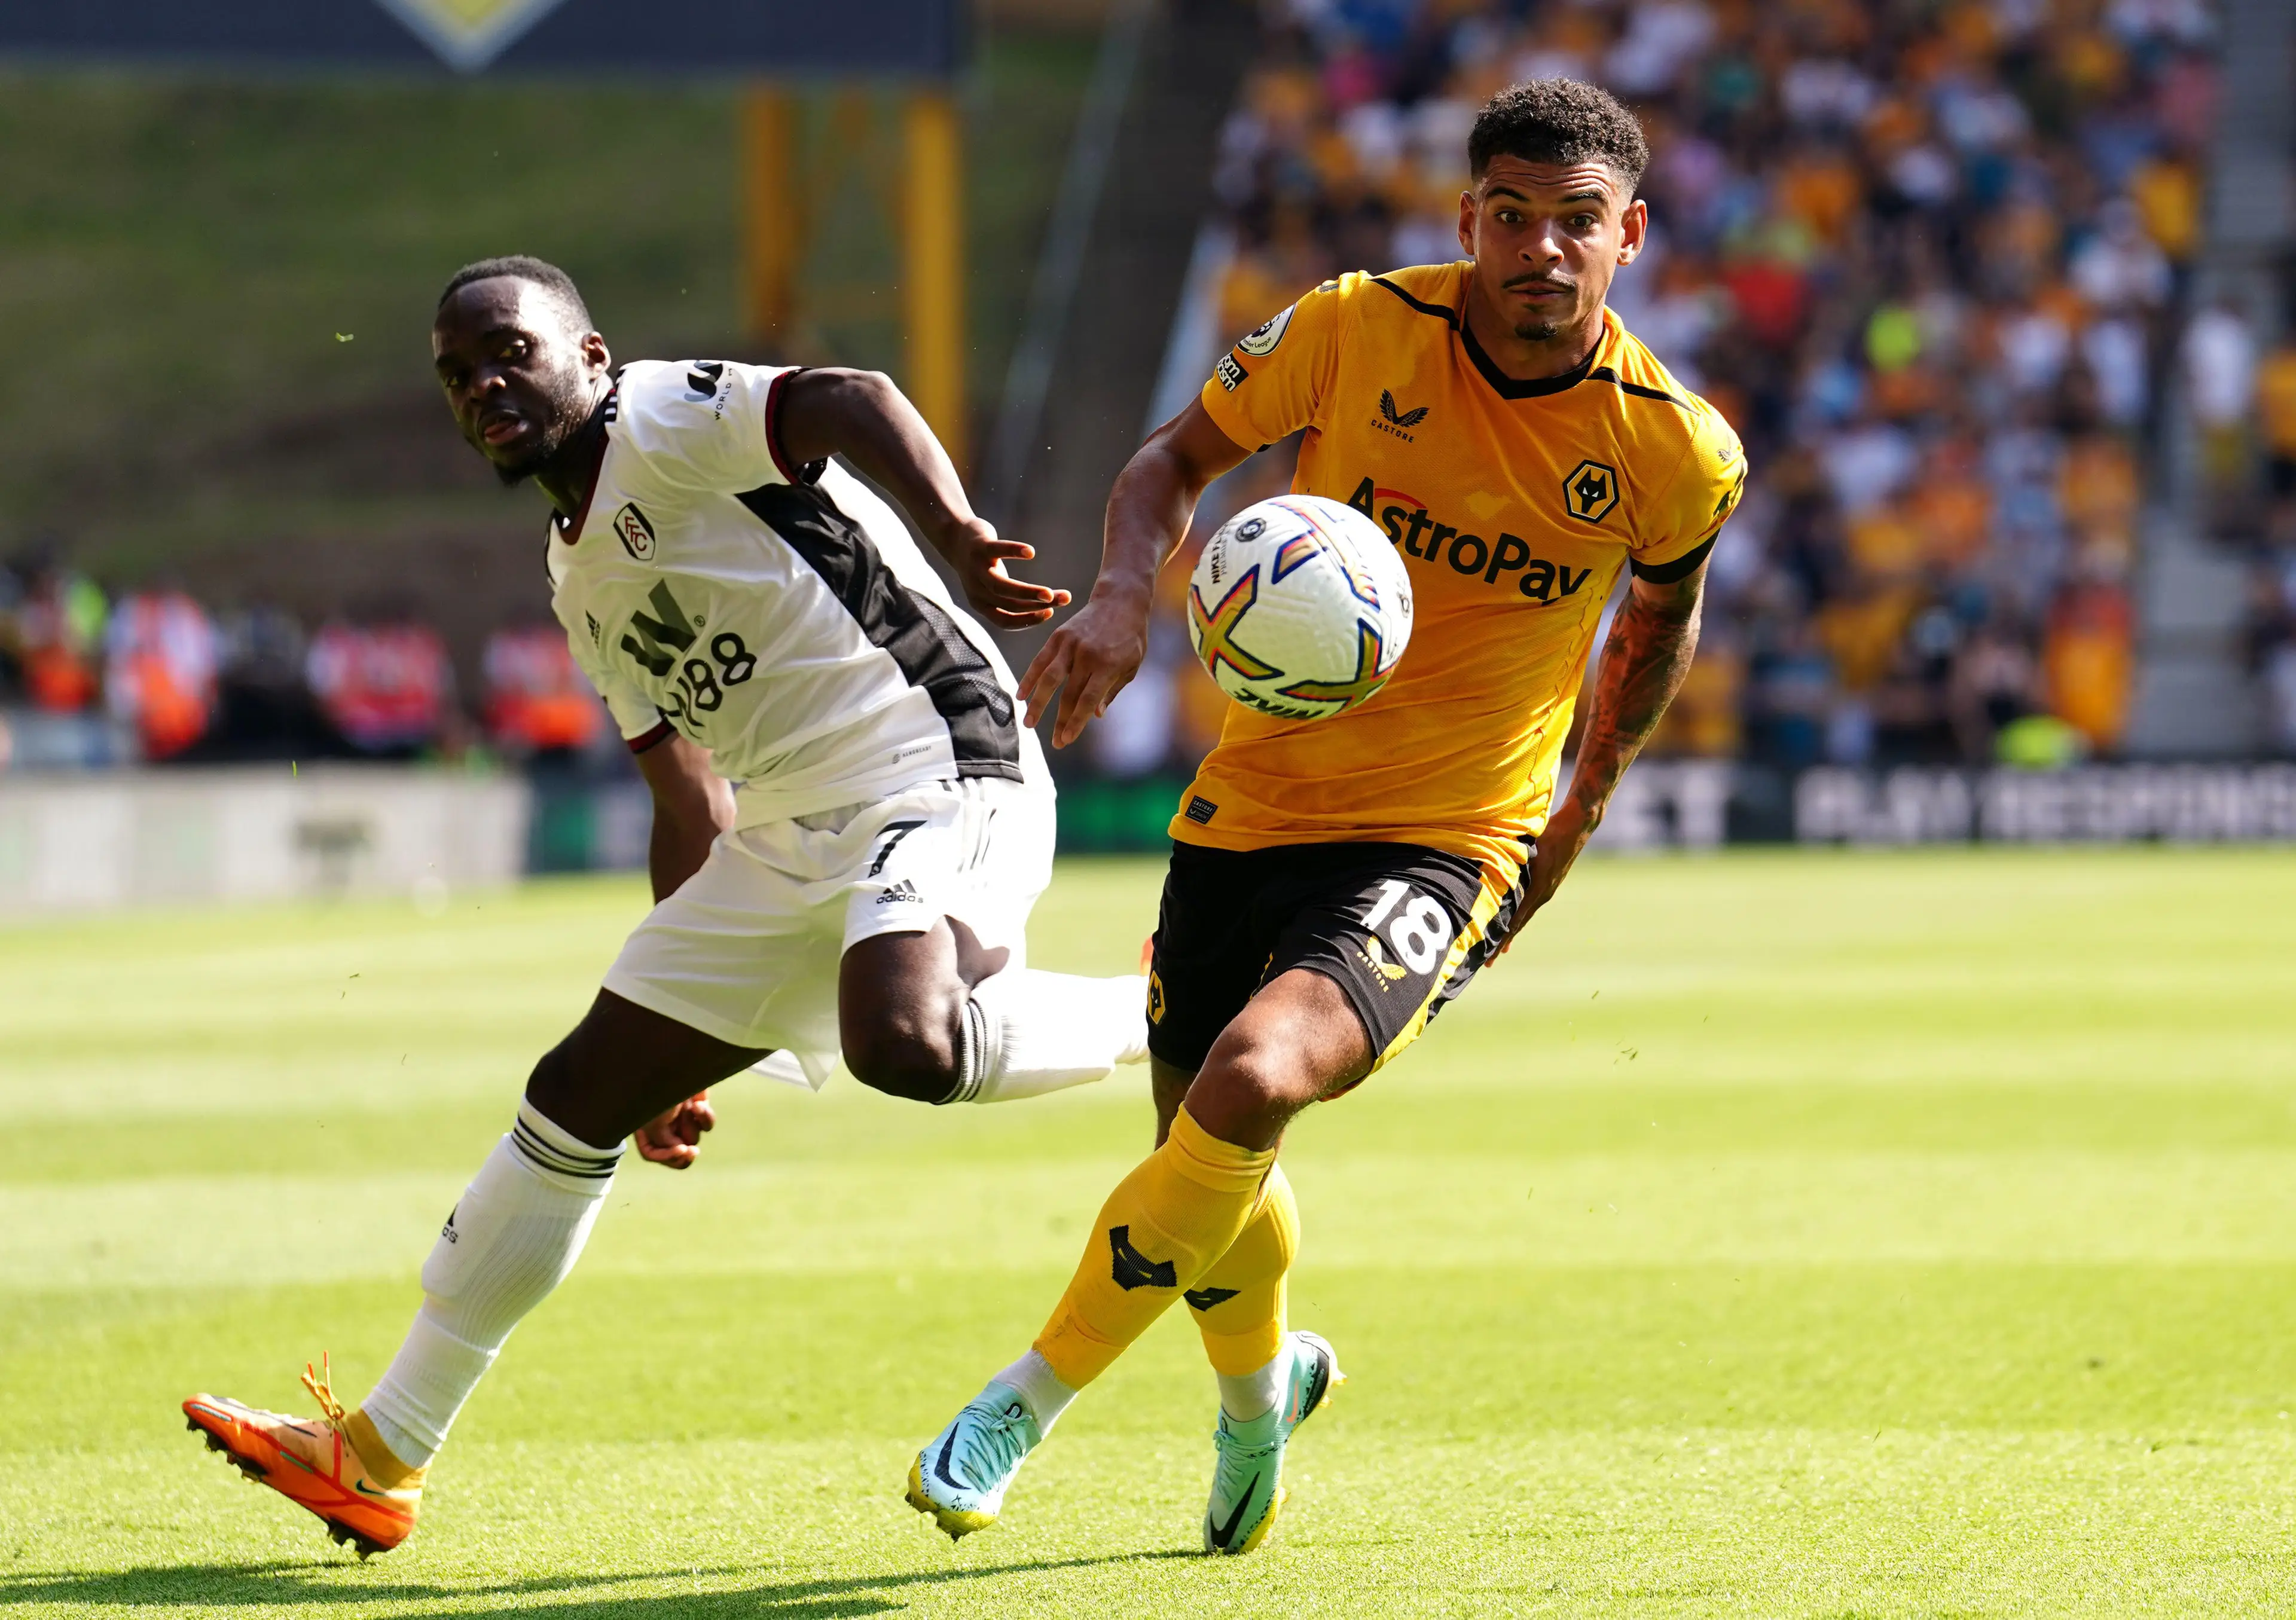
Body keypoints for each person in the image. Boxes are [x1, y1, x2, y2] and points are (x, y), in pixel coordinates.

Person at [182, 255, 1152, 1555]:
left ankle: (1163, 1000)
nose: (483, 388)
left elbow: (850, 396)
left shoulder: (665, 414)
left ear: (590, 356)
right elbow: (690, 799)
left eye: (509, 353)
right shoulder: (576, 579)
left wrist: (961, 540)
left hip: (937, 758)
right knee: (577, 1095)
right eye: (458, 376)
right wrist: (686, 1031)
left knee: (904, 1041)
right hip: (791, 827)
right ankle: (381, 1449)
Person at [906, 79, 1744, 1555]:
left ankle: (1021, 1403)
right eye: (1510, 216)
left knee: (1256, 1072)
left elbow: (1652, 636)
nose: (1540, 250)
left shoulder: (1675, 448)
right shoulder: (1354, 326)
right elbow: (1171, 460)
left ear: (1632, 236)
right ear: (1467, 216)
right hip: (1255, 799)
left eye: (1577, 224)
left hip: (1451, 832)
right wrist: (1119, 597)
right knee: (1208, 1160)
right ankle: (1262, 1389)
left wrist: (1574, 810)